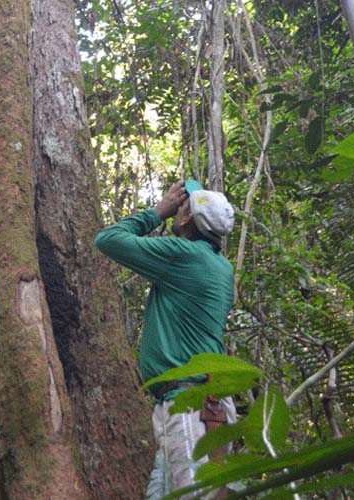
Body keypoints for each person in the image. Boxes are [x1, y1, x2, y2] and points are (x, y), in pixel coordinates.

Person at [95, 179, 237, 499]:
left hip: (191, 403)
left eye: (183, 205)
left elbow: (109, 239)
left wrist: (159, 211)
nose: (178, 205)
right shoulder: (219, 265)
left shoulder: (185, 256)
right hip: (196, 400)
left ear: (187, 218)